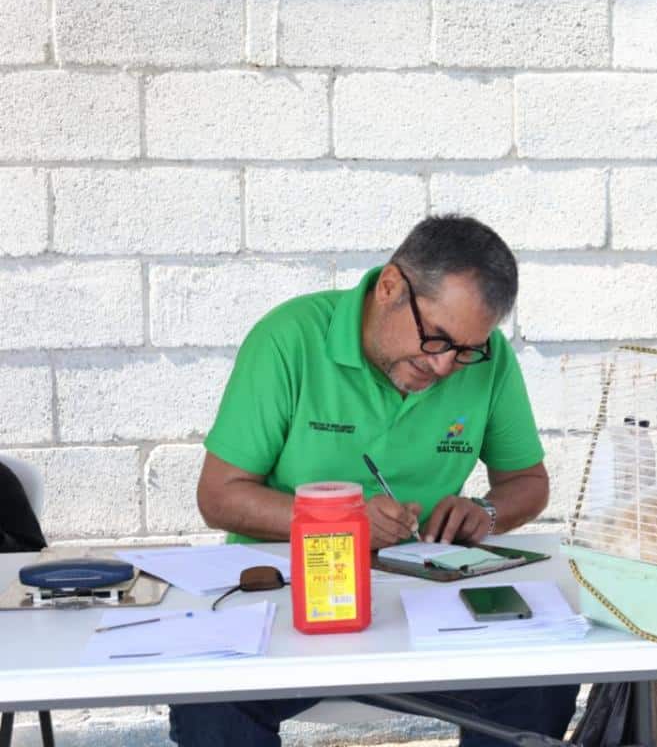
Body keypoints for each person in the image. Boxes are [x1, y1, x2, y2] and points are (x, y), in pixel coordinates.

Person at [169, 215, 579, 747]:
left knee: (541, 679)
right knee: (210, 700)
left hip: (425, 595)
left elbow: (526, 480)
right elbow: (218, 495)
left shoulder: (488, 360)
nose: (448, 365)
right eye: (436, 339)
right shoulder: (289, 339)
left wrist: (487, 511)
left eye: (467, 350)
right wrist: (337, 522)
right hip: (290, 600)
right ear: (390, 287)